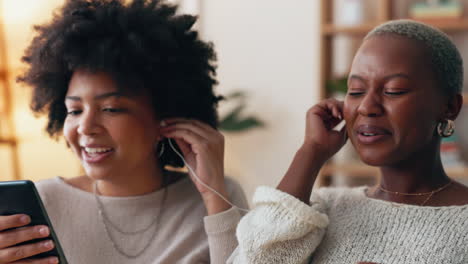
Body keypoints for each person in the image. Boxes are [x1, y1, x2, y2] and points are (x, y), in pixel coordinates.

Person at [0, 0, 248, 263]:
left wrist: (214, 198)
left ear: (164, 117)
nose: (85, 126)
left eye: (111, 109)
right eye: (74, 110)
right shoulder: (39, 206)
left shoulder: (221, 198)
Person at [228, 20, 468, 264]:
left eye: (394, 90)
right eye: (355, 91)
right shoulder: (327, 207)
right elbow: (253, 258)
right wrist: (311, 151)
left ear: (449, 107)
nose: (366, 107)